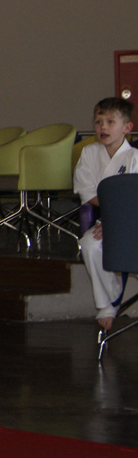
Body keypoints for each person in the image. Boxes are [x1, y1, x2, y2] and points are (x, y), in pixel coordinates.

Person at [73, 97, 138, 331]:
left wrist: (117, 220)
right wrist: (110, 219)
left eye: (111, 122)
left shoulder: (134, 157)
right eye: (99, 121)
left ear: (127, 127)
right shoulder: (90, 153)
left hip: (132, 220)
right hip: (110, 219)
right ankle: (107, 303)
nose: (103, 127)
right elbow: (87, 191)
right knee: (90, 244)